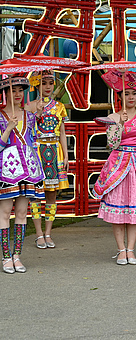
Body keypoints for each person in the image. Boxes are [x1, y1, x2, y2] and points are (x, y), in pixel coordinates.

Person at [94, 72, 136, 266]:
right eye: (126, 93)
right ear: (120, 96)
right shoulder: (113, 117)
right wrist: (120, 124)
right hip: (119, 164)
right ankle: (120, 250)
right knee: (118, 210)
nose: (131, 97)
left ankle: (131, 249)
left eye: (134, 93)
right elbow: (111, 144)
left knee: (134, 211)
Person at [0, 75, 44, 274]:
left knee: (21, 213)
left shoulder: (29, 116)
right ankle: (5, 257)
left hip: (27, 169)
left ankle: (17, 255)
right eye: (13, 90)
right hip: (7, 171)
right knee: (4, 213)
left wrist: (40, 116)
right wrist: (8, 129)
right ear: (5, 93)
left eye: (20, 90)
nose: (17, 94)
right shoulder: (0, 116)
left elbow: (34, 139)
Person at [26, 70, 68, 249]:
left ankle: (49, 233)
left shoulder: (59, 107)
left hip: (54, 150)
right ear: (37, 84)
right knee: (35, 195)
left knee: (52, 194)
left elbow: (63, 133)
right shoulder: (29, 106)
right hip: (37, 150)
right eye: (44, 83)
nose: (48, 87)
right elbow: (26, 131)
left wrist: (66, 155)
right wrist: (36, 115)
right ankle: (38, 234)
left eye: (50, 83)